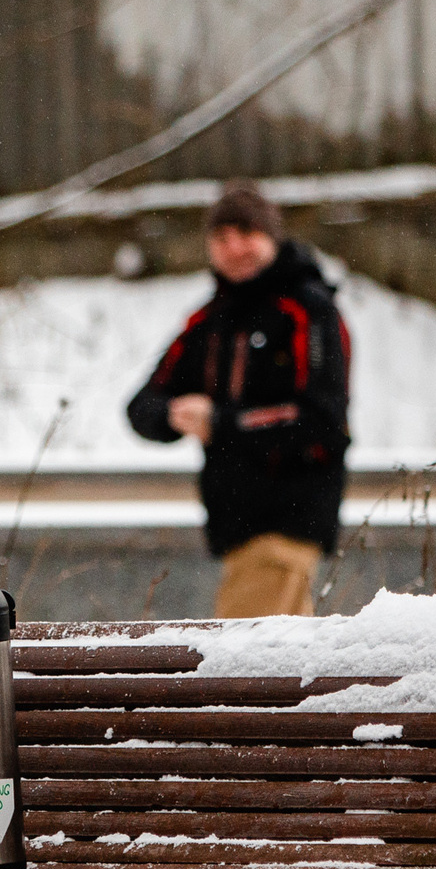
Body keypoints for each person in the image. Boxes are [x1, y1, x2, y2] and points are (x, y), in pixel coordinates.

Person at [125, 180, 351, 618]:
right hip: (236, 529)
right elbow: (142, 405)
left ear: (271, 238)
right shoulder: (211, 319)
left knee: (240, 675)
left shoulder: (309, 310)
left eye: (246, 234)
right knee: (275, 672)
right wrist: (173, 415)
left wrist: (222, 423)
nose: (234, 247)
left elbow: (323, 418)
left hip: (288, 522)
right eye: (222, 237)